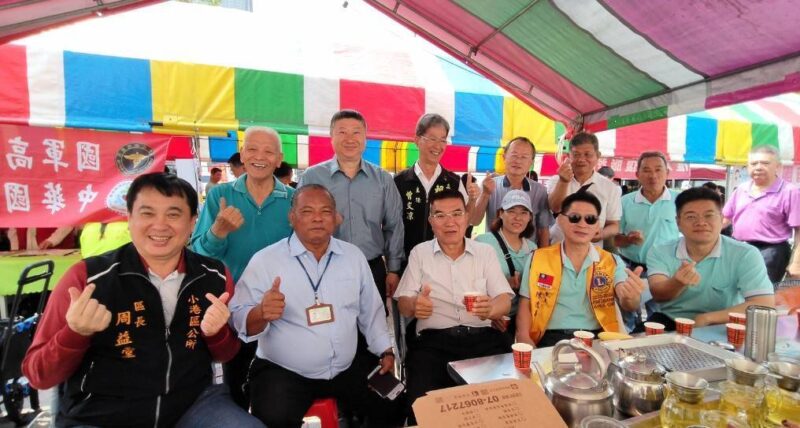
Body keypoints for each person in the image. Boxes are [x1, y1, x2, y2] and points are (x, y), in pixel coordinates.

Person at [22, 173, 263, 428]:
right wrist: (75, 334)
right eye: (147, 213)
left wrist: (216, 334)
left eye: (173, 214)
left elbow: (227, 353)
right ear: (129, 218)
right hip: (101, 413)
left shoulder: (214, 275)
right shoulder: (86, 278)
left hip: (193, 404)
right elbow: (39, 375)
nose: (160, 225)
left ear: (193, 221)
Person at [229, 185, 394, 428]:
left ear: (335, 218)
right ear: (292, 217)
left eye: (325, 211)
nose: (317, 218)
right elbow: (237, 317)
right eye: (307, 211)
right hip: (285, 371)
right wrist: (260, 313)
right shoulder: (266, 260)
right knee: (273, 418)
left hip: (346, 367)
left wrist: (385, 351)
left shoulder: (353, 256)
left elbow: (372, 310)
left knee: (394, 401)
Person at [192, 126, 294, 409]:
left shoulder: (293, 201)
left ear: (279, 159)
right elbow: (198, 254)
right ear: (242, 154)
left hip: (281, 309)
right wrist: (218, 231)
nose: (259, 157)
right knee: (236, 384)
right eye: (252, 149)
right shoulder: (220, 196)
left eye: (268, 151)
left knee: (279, 389)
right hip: (233, 308)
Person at [394, 189, 512, 413]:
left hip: (483, 340)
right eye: (440, 215)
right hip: (433, 344)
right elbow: (403, 303)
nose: (450, 222)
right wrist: (414, 305)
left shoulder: (485, 252)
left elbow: (504, 300)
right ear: (431, 221)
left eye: (457, 214)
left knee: (502, 405)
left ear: (467, 217)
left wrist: (491, 309)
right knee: (424, 409)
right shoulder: (420, 253)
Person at [298, 109, 405, 302]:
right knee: (328, 319)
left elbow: (394, 225)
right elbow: (298, 224)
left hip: (371, 267)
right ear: (331, 137)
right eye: (342, 132)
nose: (350, 139)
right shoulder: (312, 177)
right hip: (322, 266)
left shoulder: (382, 179)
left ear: (365, 138)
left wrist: (393, 269)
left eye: (356, 132)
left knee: (372, 320)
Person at [515, 191, 644, 347]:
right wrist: (524, 337)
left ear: (597, 227)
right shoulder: (538, 258)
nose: (582, 224)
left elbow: (628, 302)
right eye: (575, 217)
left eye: (590, 219)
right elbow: (525, 303)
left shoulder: (611, 261)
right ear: (560, 221)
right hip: (550, 338)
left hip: (598, 338)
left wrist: (631, 297)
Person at [647, 187, 775, 329]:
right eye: (691, 217)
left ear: (721, 219)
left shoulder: (745, 254)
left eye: (709, 215)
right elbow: (658, 295)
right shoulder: (660, 251)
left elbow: (764, 303)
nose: (701, 222)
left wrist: (707, 318)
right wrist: (677, 283)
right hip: (671, 321)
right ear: (678, 223)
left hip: (723, 324)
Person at [394, 113, 477, 263]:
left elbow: (466, 221)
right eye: (432, 139)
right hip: (407, 262)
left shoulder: (453, 182)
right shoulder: (399, 181)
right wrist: (393, 266)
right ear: (417, 140)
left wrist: (472, 200)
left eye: (443, 140)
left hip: (445, 262)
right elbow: (390, 225)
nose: (438, 146)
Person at [614, 152, 679, 328]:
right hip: (630, 268)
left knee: (659, 318)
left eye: (658, 170)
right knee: (625, 315)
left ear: (667, 173)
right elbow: (614, 240)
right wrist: (628, 239)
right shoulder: (625, 202)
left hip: (664, 270)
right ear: (637, 174)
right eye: (647, 170)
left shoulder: (679, 201)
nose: (653, 175)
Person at [723, 145, 800, 284]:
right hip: (739, 248)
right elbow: (725, 218)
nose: (758, 167)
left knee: (760, 292)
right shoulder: (742, 189)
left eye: (765, 163)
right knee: (732, 289)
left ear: (778, 166)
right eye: (753, 164)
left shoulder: (790, 191)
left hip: (770, 251)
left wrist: (796, 262)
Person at [471, 137, 553, 248]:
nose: (518, 161)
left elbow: (543, 229)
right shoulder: (489, 185)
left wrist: (544, 256)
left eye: (524, 157)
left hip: (528, 253)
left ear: (531, 162)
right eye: (514, 155)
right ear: (504, 157)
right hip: (494, 252)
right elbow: (474, 221)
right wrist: (485, 194)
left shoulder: (540, 190)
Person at [474, 190, 536, 337]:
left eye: (524, 213)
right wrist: (493, 312)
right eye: (511, 211)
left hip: (522, 320)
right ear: (501, 213)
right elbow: (472, 283)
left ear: (530, 217)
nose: (518, 218)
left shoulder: (533, 248)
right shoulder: (482, 242)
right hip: (489, 320)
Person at [547, 132, 621, 247]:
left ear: (598, 155)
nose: (581, 159)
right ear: (568, 156)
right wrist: (563, 182)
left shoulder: (610, 188)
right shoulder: (556, 180)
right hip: (558, 248)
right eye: (576, 154)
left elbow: (614, 225)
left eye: (588, 154)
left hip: (592, 251)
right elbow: (555, 208)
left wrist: (600, 234)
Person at [6, 226, 76, 250]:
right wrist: (15, 248)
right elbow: (13, 227)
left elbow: (69, 219)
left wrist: (53, 240)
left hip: (56, 249)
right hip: (24, 250)